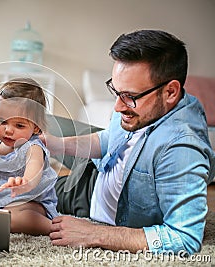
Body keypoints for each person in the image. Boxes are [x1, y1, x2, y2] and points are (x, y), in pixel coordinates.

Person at [43, 30, 215, 254]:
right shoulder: (137, 107)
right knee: (30, 121)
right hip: (99, 172)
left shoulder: (181, 150)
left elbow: (184, 239)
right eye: (116, 91)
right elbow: (109, 139)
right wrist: (56, 144)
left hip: (90, 202)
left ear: (171, 92)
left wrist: (94, 233)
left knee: (25, 196)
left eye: (130, 96)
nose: (117, 107)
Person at [0, 78, 59, 235]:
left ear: (36, 127)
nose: (8, 130)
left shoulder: (33, 148)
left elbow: (34, 170)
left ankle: (54, 228)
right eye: (3, 122)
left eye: (19, 125)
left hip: (29, 201)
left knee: (14, 218)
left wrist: (24, 183)